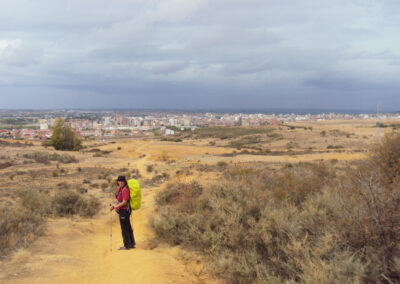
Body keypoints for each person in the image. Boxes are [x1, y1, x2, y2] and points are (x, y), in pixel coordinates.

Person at [110, 175, 136, 250]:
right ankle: (131, 243)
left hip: (124, 211)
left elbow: (124, 202)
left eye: (121, 181)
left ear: (124, 182)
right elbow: (119, 200)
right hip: (123, 210)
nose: (120, 182)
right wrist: (115, 206)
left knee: (125, 228)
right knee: (127, 227)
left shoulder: (125, 190)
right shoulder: (121, 189)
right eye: (119, 181)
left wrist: (115, 206)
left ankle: (127, 245)